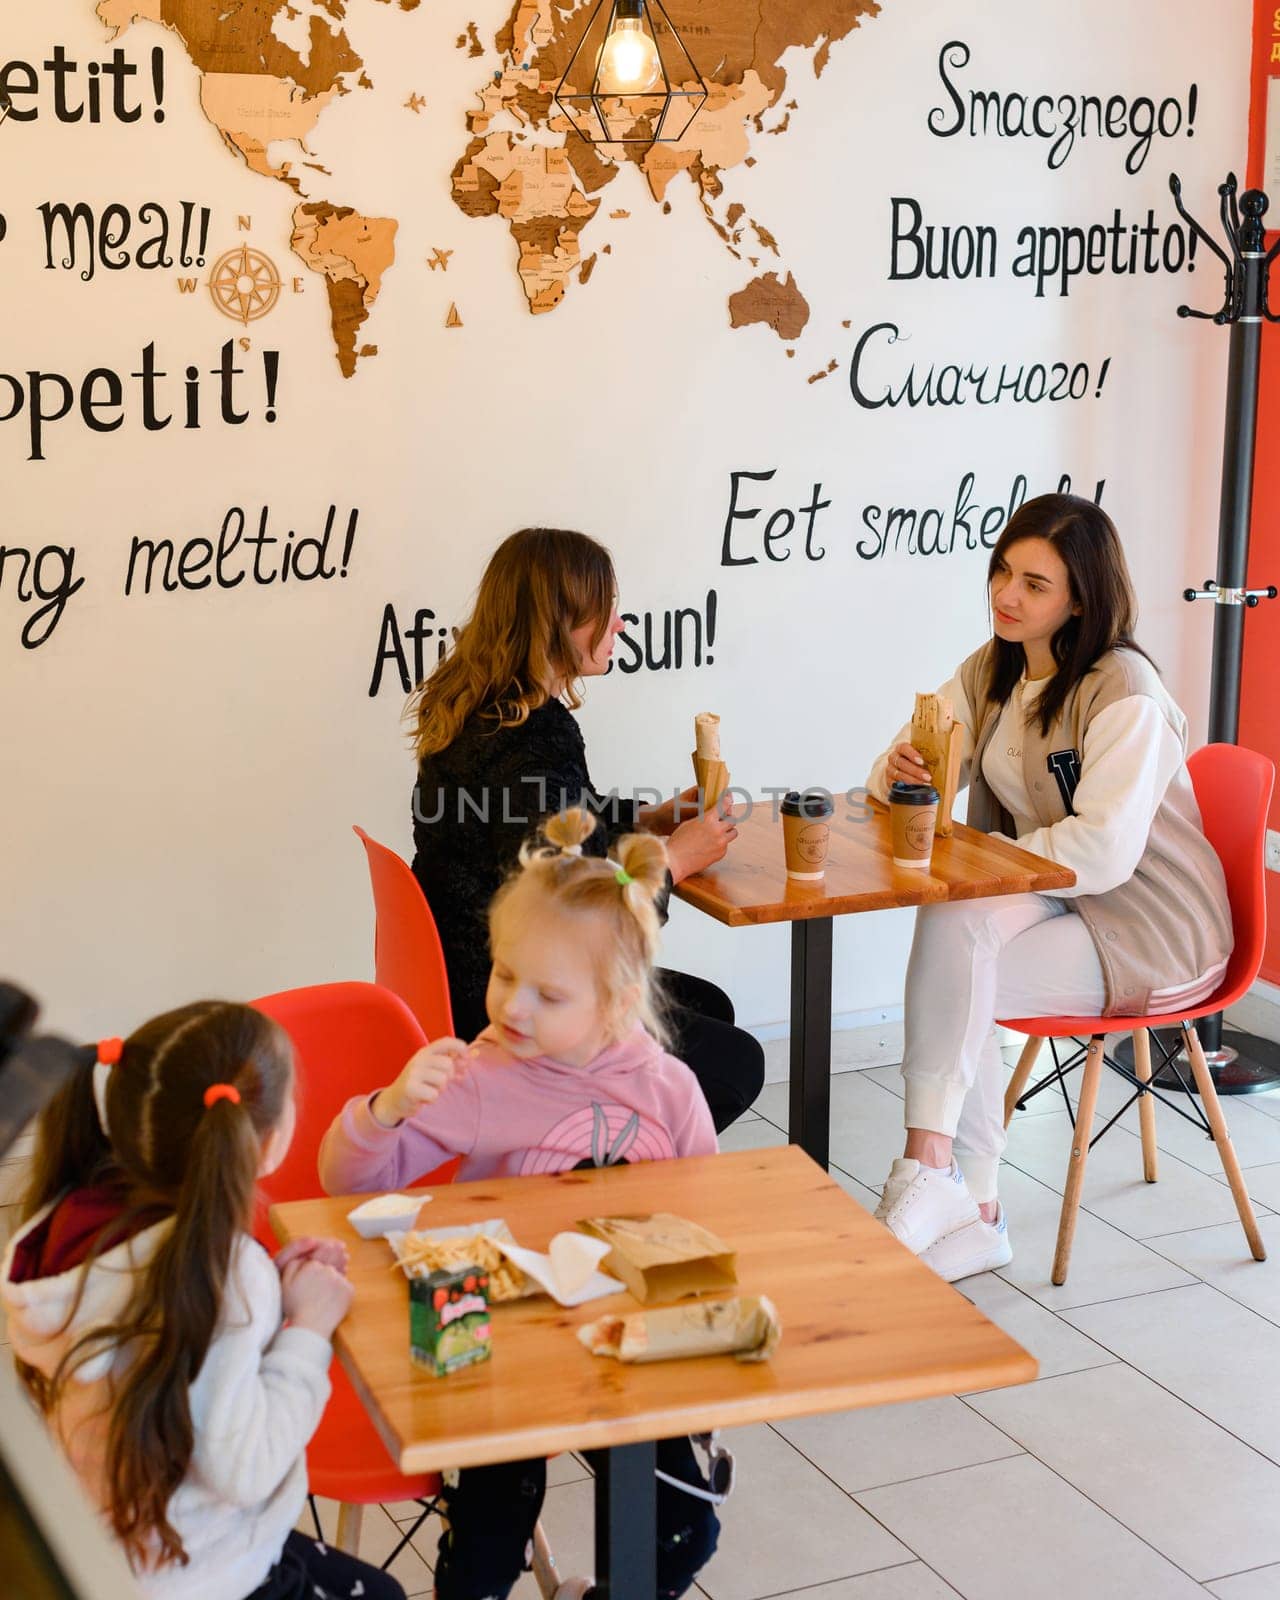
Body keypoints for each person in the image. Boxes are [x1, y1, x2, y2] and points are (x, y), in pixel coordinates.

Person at [321, 809, 724, 1600]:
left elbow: (711, 1217)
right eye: (505, 975)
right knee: (489, 1534)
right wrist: (388, 1109)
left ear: (615, 1002)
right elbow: (349, 1184)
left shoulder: (669, 1092)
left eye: (547, 993)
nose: (512, 1009)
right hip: (496, 1338)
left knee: (679, 1533)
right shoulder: (480, 1076)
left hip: (621, 1344)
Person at [865, 493, 1232, 1283]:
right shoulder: (992, 667)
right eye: (1003, 571)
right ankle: (962, 1195)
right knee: (956, 931)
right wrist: (905, 776)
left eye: (1035, 584)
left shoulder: (1123, 688)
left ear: (1080, 598)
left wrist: (990, 856)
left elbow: (1102, 853)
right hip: (1055, 890)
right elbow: (892, 777)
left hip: (1150, 923)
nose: (1007, 594)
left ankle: (945, 1184)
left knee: (961, 957)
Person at [1, 1002, 403, 1600]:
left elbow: (172, 1345)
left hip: (106, 1550)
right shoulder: (224, 1273)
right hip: (199, 1572)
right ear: (265, 1143)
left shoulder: (69, 1219)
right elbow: (244, 1467)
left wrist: (264, 1298)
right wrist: (307, 1332)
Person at [407, 525, 764, 1133]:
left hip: (467, 971)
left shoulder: (481, 708)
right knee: (737, 1063)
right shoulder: (533, 735)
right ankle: (574, 1156)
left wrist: (647, 820)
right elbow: (579, 911)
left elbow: (547, 829)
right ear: (559, 625)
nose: (619, 624)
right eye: (605, 611)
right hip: (505, 999)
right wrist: (674, 861)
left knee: (709, 1008)